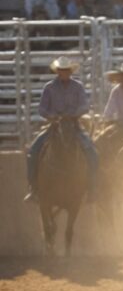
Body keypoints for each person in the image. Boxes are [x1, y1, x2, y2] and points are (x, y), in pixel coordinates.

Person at [24, 57, 98, 203]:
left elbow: (84, 106)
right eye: (61, 70)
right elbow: (42, 109)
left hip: (74, 125)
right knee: (33, 151)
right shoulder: (49, 87)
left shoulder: (78, 87)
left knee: (92, 153)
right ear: (57, 71)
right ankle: (34, 188)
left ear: (70, 71)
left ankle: (91, 189)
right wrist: (53, 116)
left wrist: (74, 114)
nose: (64, 73)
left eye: (66, 70)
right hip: (54, 126)